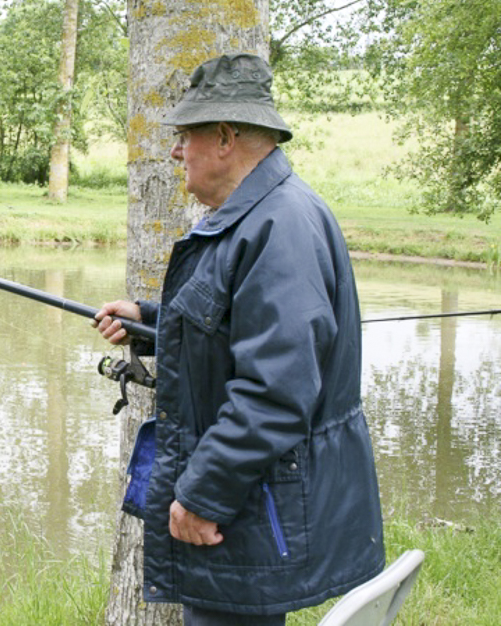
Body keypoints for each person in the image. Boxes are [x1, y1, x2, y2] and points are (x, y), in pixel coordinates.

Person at [92, 54, 384, 625]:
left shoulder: (281, 228)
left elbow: (276, 390)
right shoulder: (256, 217)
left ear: (225, 138)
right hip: (250, 502)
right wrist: (151, 322)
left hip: (249, 507)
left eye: (185, 137)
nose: (177, 152)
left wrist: (203, 494)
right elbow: (236, 328)